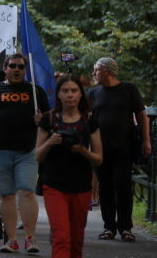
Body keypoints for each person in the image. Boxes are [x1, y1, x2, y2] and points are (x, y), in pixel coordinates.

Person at [0, 52, 49, 253]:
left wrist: (41, 121)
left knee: (27, 191)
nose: (17, 70)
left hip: (28, 151)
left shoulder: (36, 92)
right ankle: (12, 240)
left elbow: (50, 123)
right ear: (5, 69)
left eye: (21, 67)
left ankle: (30, 239)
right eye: (13, 66)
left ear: (25, 69)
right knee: (6, 195)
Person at [36, 75, 103, 258]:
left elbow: (98, 159)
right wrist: (50, 142)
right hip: (54, 185)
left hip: (81, 186)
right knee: (61, 236)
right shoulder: (48, 119)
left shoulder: (89, 122)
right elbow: (37, 155)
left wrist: (82, 150)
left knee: (76, 239)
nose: (70, 95)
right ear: (58, 94)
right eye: (65, 91)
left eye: (74, 91)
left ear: (81, 94)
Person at [87, 57, 152, 242]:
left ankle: (125, 227)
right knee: (105, 187)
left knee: (122, 185)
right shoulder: (93, 93)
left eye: (96, 69)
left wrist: (146, 141)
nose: (93, 73)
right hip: (101, 148)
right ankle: (109, 227)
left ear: (109, 71)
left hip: (124, 147)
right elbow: (88, 119)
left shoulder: (128, 89)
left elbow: (141, 114)